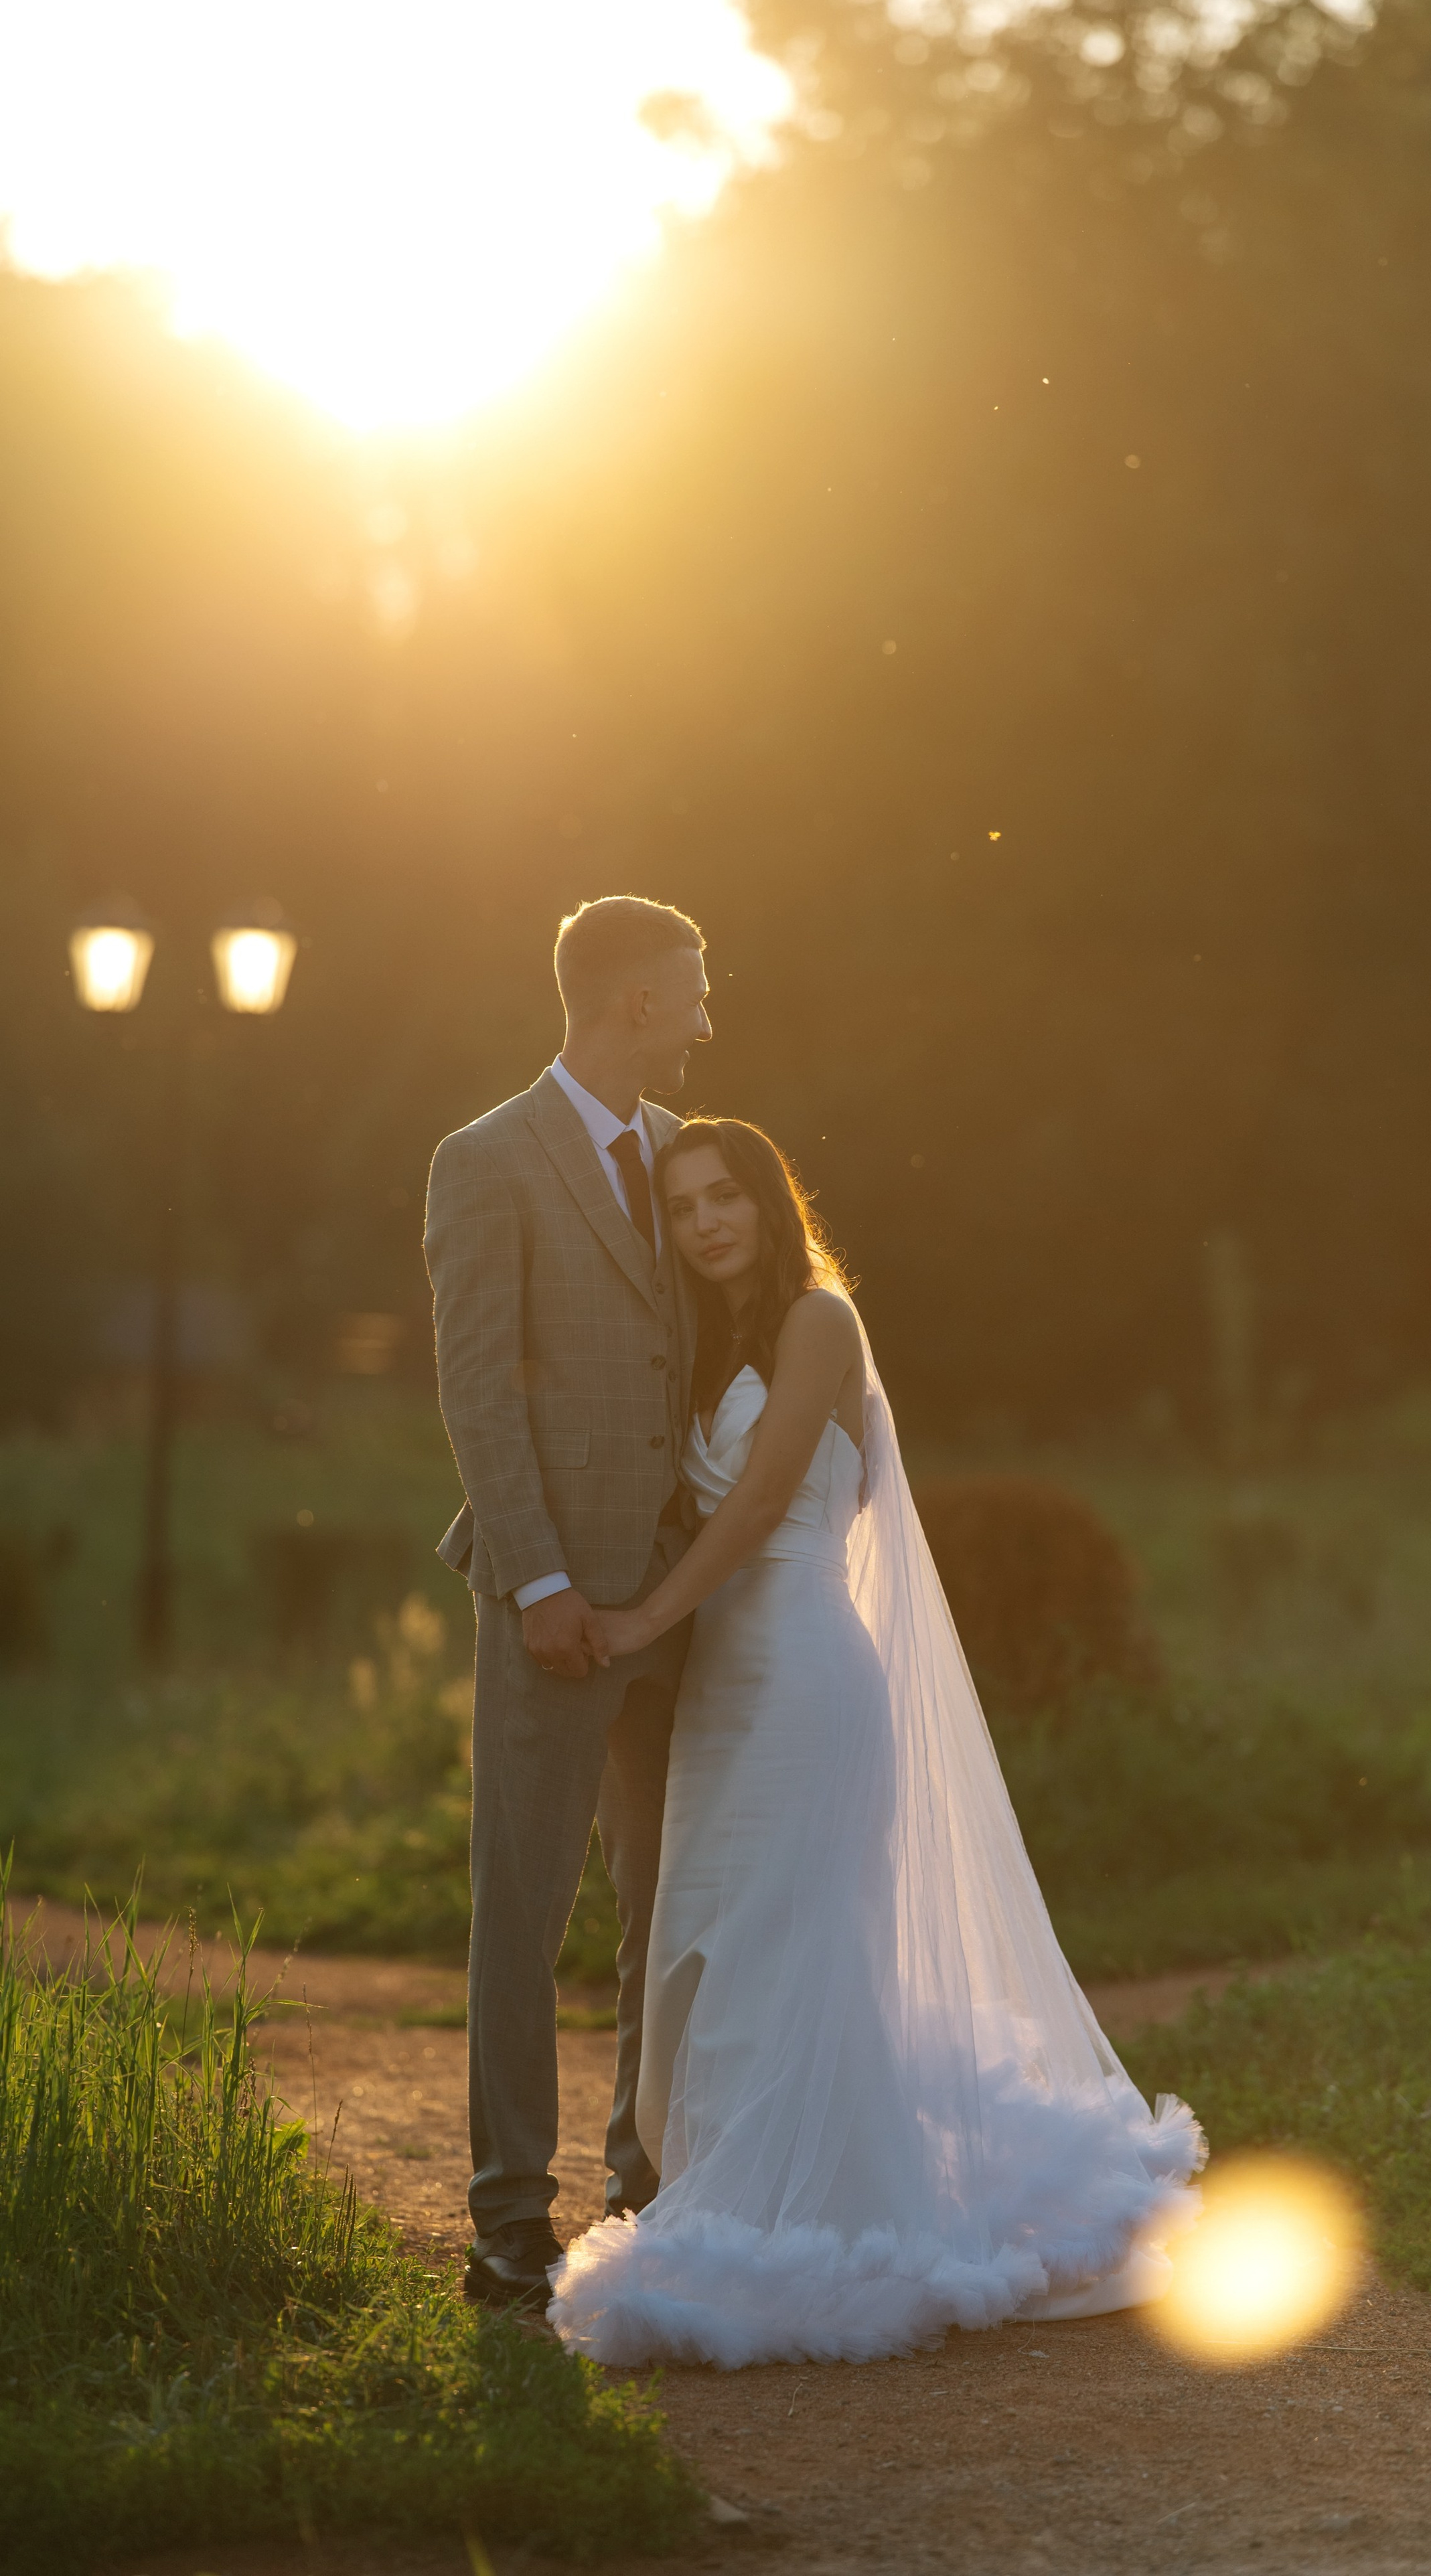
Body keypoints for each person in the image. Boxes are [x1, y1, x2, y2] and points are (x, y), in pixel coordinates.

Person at [546, 1118, 1203, 2366]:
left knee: (796, 1943)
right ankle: (743, 2191)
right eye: (682, 1208)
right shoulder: (698, 1348)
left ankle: (830, 2222)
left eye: (725, 1196)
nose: (706, 1223)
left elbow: (760, 1499)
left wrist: (643, 1617)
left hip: (801, 1665)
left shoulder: (816, 1322)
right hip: (722, 1689)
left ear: (767, 1201)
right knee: (707, 1940)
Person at [424, 894, 711, 2311]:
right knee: (522, 1908)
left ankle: (639, 2180)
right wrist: (538, 1576)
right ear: (633, 1003)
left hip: (675, 1601)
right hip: (552, 1595)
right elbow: (479, 1385)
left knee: (663, 1902)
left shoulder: (680, 1158)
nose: (709, 1018)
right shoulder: (483, 1159)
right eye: (693, 990)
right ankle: (504, 2220)